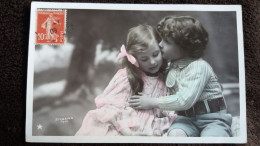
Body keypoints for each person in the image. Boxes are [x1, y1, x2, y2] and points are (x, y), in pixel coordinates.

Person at [129, 16, 232, 137]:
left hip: (212, 120)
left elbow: (184, 100)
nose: (160, 44)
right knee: (175, 134)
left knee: (212, 138)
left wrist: (152, 102)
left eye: (167, 42)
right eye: (161, 39)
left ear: (185, 47)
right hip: (186, 119)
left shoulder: (199, 67)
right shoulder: (171, 66)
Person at [75, 24, 176, 136]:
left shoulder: (165, 79)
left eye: (155, 54)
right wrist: (128, 133)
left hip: (150, 129)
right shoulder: (127, 76)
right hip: (123, 128)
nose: (152, 62)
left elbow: (170, 108)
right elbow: (110, 108)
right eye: (144, 59)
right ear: (134, 58)